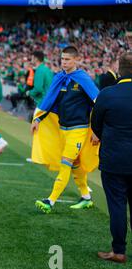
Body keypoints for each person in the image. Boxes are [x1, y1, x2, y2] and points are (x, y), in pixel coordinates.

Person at [32, 46, 100, 213]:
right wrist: (38, 118)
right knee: (75, 163)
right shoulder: (59, 78)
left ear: (76, 60)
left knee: (66, 163)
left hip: (79, 129)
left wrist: (97, 130)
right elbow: (50, 101)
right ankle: (86, 197)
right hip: (63, 129)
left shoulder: (83, 79)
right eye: (62, 59)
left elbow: (99, 103)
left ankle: (50, 200)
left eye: (68, 59)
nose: (64, 62)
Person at [92, 52, 132, 264]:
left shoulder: (107, 94)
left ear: (119, 69)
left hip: (114, 159)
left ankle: (118, 250)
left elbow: (95, 125)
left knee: (117, 206)